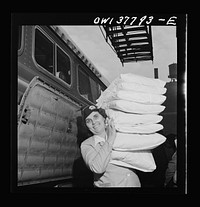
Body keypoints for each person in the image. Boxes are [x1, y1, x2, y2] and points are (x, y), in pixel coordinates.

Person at [80, 105, 141, 187]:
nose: (93, 122)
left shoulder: (121, 132)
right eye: (88, 121)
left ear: (104, 118)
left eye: (96, 116)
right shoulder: (87, 144)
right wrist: (110, 139)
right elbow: (98, 168)